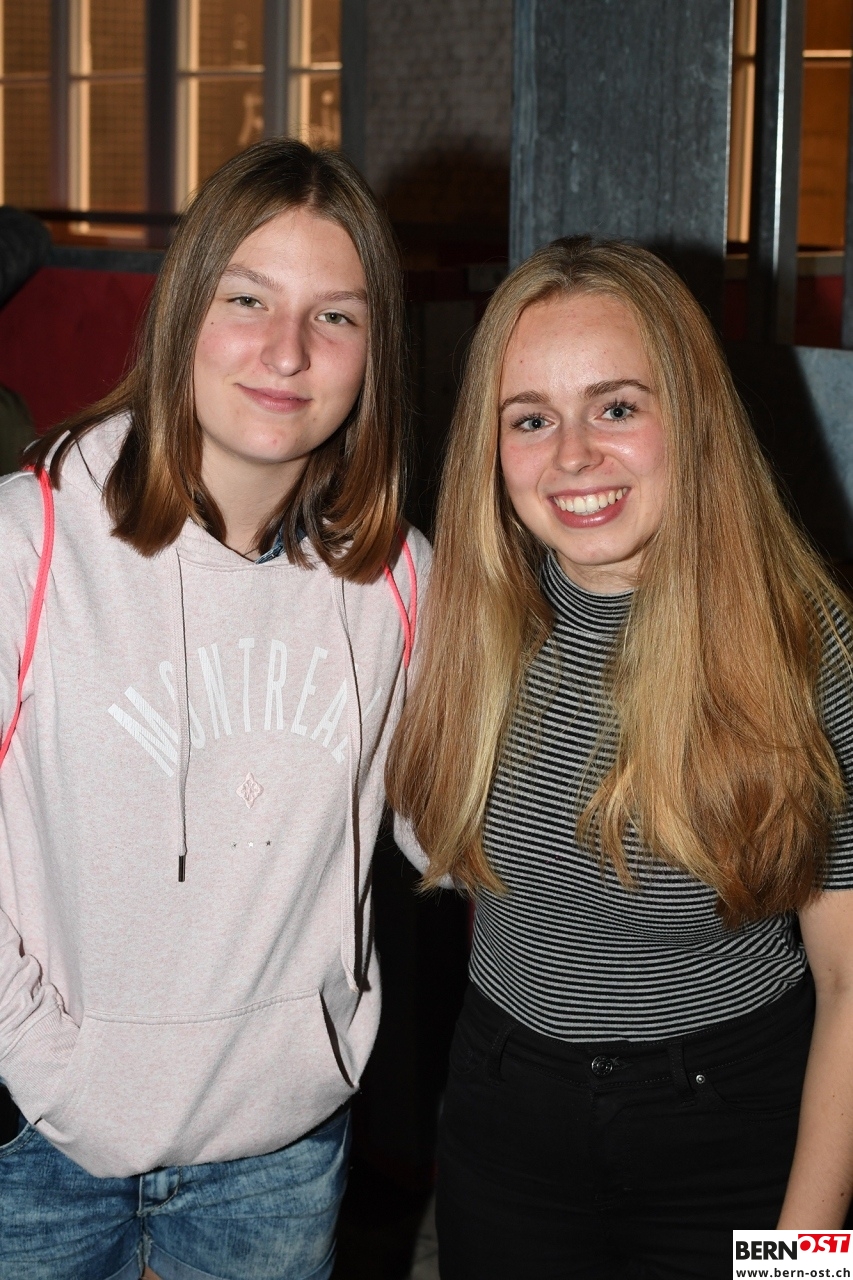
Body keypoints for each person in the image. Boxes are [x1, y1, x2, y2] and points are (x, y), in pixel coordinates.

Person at [0, 138, 427, 1280]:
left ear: (375, 349)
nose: (287, 350)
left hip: (279, 1149)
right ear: (185, 306)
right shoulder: (26, 543)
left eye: (335, 315)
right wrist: (35, 1054)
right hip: (37, 1148)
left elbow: (451, 830)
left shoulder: (397, 577)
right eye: (248, 299)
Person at [387, 236, 853, 1278]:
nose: (571, 456)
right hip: (504, 1118)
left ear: (689, 415)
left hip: (737, 1130)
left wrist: (808, 1260)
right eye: (529, 418)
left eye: (615, 407)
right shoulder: (458, 627)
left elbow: (850, 982)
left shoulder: (806, 649)